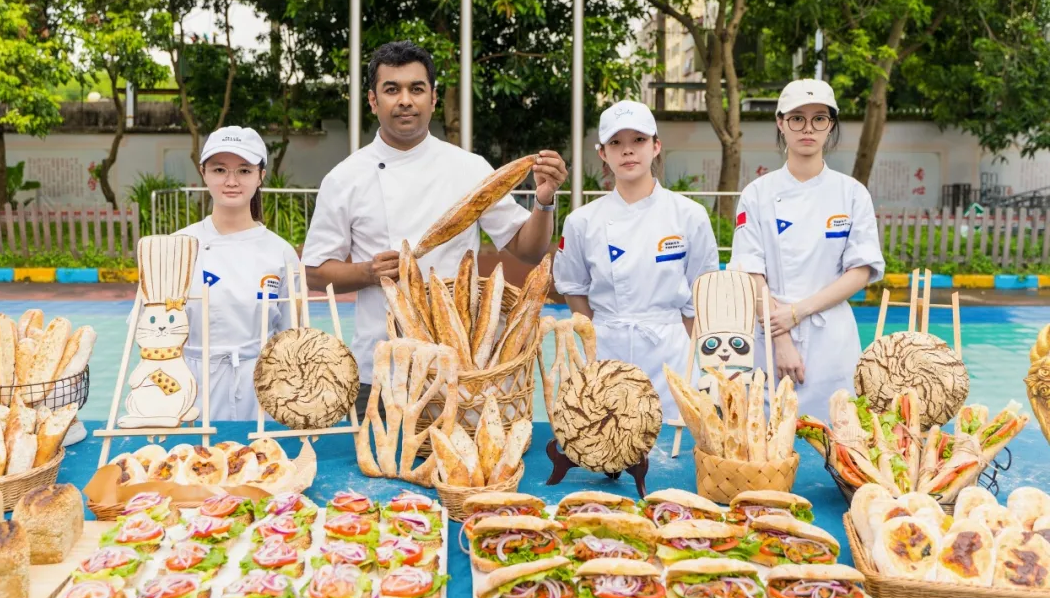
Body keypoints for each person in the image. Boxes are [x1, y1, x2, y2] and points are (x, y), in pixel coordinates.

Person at [302, 41, 567, 411]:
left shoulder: (469, 168)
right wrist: (367, 272)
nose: (405, 100)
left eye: (416, 88)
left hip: (461, 369)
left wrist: (544, 200)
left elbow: (529, 249)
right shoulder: (344, 178)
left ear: (433, 98)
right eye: (391, 89)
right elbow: (315, 273)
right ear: (373, 101)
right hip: (380, 369)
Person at [553, 100, 719, 420]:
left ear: (656, 146)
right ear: (603, 153)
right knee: (608, 445)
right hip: (606, 353)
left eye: (638, 140)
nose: (628, 151)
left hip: (671, 353)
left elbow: (700, 293)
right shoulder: (582, 222)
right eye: (616, 143)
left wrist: (700, 362)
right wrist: (600, 334)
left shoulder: (689, 216)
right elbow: (573, 287)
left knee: (674, 446)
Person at [728, 79, 884, 419]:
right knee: (765, 447)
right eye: (797, 118)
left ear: (831, 126)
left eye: (819, 118)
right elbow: (749, 272)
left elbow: (860, 271)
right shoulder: (756, 194)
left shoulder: (852, 194)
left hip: (831, 338)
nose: (807, 128)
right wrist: (781, 337)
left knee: (839, 437)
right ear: (781, 124)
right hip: (767, 336)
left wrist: (797, 312)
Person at [176, 126, 301, 420]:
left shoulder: (281, 253)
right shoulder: (177, 247)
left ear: (261, 175)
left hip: (262, 390)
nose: (231, 181)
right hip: (190, 391)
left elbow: (293, 338)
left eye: (244, 171)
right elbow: (152, 336)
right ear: (203, 172)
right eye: (220, 169)